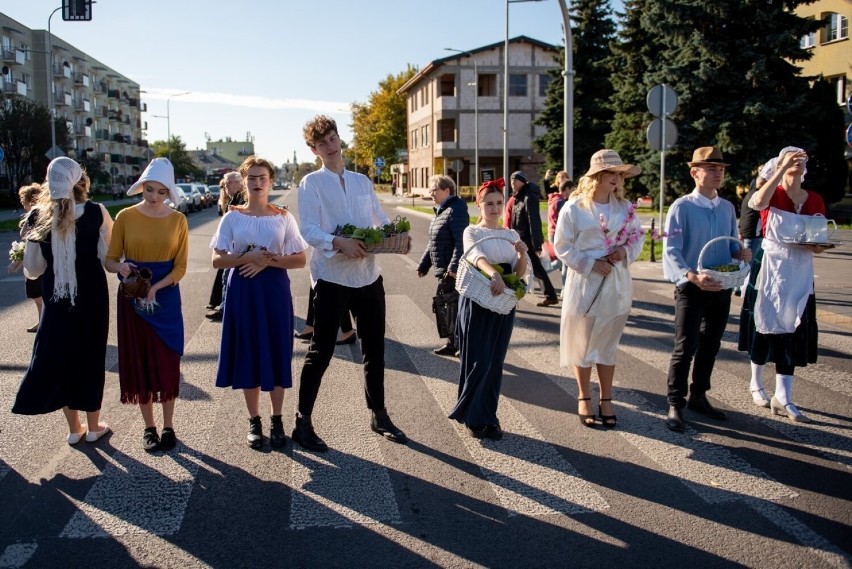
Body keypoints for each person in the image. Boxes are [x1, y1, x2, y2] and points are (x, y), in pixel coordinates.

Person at [293, 115, 408, 452]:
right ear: (314, 149)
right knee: (321, 351)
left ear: (339, 139)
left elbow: (379, 218)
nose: (330, 145)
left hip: (368, 276)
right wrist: (337, 242)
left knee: (375, 348)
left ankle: (379, 414)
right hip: (332, 279)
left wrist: (395, 235)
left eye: (333, 138)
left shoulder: (361, 181)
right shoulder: (311, 183)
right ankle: (303, 422)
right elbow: (309, 230)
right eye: (323, 142)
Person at [12, 158, 113, 444]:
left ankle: (74, 429)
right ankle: (94, 427)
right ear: (81, 181)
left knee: (61, 356)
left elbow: (33, 269)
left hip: (56, 297)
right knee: (91, 356)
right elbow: (108, 258)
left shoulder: (37, 217)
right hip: (92, 295)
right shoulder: (97, 212)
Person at [211, 156, 308, 448]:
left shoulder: (282, 216)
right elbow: (217, 259)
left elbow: (301, 259)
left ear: (271, 180)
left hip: (274, 289)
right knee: (249, 352)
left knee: (277, 351)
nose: (257, 183)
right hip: (243, 289)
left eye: (262, 177)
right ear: (243, 181)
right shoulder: (232, 216)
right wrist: (248, 258)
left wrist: (267, 262)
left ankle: (277, 419)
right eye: (251, 178)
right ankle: (254, 421)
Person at [662, 146, 751, 432]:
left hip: (721, 285)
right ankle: (675, 403)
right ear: (695, 172)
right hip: (691, 285)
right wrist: (691, 276)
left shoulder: (726, 207)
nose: (718, 174)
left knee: (711, 344)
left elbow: (728, 245)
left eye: (721, 170)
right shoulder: (682, 207)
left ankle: (698, 395)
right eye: (711, 169)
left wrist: (740, 254)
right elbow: (671, 250)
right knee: (685, 345)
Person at [554, 150, 643, 428]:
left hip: (615, 281)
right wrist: (591, 263)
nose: (617, 178)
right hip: (585, 281)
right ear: (597, 176)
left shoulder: (625, 208)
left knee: (607, 340)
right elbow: (562, 246)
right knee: (583, 339)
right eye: (612, 173)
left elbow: (636, 238)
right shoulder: (575, 207)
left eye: (620, 174)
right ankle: (584, 396)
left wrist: (623, 251)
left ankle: (607, 397)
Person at [105, 158, 189, 451]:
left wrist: (157, 287)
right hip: (133, 297)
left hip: (164, 297)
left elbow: (180, 268)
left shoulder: (179, 220)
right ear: (141, 186)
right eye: (149, 190)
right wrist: (122, 267)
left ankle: (168, 427)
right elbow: (110, 259)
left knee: (167, 361)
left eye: (161, 192)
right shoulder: (125, 217)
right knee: (139, 362)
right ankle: (149, 428)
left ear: (169, 193)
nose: (154, 197)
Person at [738, 147, 828, 422]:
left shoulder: (814, 199)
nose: (796, 164)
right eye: (791, 161)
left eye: (800, 161)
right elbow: (756, 202)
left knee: (794, 326)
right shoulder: (772, 194)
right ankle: (755, 382)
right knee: (763, 323)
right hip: (771, 264)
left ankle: (783, 396)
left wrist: (817, 244)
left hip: (799, 269)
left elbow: (818, 244)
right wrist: (780, 167)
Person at [449, 179, 528, 440]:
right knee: (478, 360)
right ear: (479, 205)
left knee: (495, 362)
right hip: (479, 299)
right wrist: (494, 274)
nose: (494, 208)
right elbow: (475, 257)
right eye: (489, 203)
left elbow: (519, 273)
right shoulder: (472, 231)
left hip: (503, 304)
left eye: (498, 203)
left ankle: (489, 416)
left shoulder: (511, 235)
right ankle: (472, 415)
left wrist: (522, 256)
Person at [417, 174, 469, 356]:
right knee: (448, 306)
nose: (431, 193)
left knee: (453, 306)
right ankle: (453, 343)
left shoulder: (456, 210)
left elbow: (461, 243)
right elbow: (433, 242)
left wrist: (453, 269)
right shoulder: (441, 211)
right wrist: (424, 265)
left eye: (434, 190)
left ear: (447, 190)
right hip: (444, 269)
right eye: (430, 190)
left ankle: (462, 345)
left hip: (452, 270)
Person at [509, 171, 558, 307]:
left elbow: (534, 221)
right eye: (511, 180)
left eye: (516, 180)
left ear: (523, 181)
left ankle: (550, 295)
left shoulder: (528, 197)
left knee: (534, 267)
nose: (513, 183)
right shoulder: (519, 196)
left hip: (527, 241)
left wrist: (537, 244)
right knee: (533, 267)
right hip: (520, 239)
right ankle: (550, 295)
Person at [207, 172, 247, 321]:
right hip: (230, 246)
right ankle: (224, 306)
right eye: (225, 183)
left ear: (239, 183)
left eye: (229, 183)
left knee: (227, 278)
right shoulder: (232, 199)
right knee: (226, 277)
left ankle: (224, 309)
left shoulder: (242, 200)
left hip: (237, 247)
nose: (226, 186)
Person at [7, 184, 44, 332]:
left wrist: (16, 262)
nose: (22, 203)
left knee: (39, 295)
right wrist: (17, 262)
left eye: (23, 199)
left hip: (38, 261)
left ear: (30, 200)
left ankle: (44, 323)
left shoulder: (36, 215)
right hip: (36, 260)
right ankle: (42, 321)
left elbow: (31, 243)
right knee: (38, 296)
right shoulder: (34, 215)